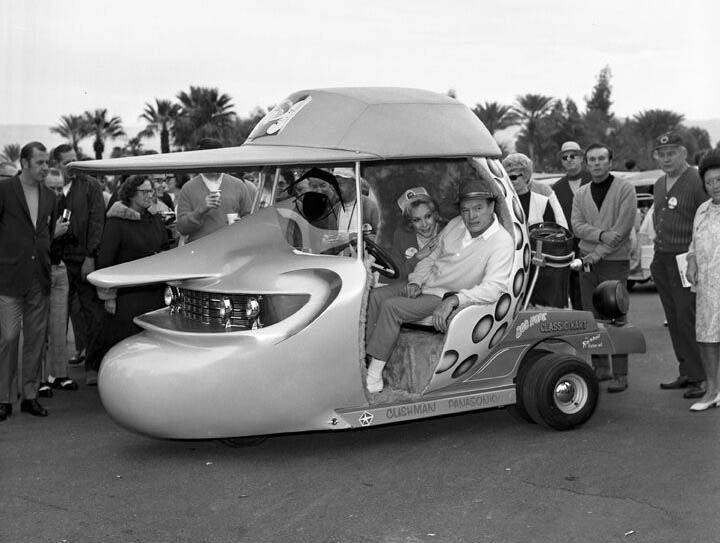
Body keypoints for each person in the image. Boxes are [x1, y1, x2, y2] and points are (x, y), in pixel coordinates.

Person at [365, 178, 514, 393]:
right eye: (465, 210)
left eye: (478, 208)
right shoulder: (455, 224)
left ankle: (373, 377)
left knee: (392, 307)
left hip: (443, 295)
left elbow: (493, 287)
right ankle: (372, 360)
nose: (471, 216)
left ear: (492, 207)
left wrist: (455, 299)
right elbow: (431, 256)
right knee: (374, 297)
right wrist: (416, 280)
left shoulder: (501, 242)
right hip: (425, 284)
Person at [0, 142, 67, 419]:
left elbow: (46, 237)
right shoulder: (4, 190)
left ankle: (29, 396)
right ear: (24, 163)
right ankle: (4, 398)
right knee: (9, 336)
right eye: (39, 163)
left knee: (36, 340)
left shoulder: (50, 198)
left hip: (40, 278)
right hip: (8, 278)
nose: (45, 167)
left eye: (46, 162)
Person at [572, 143, 637, 393]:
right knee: (592, 316)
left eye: (601, 158)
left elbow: (622, 230)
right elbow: (576, 225)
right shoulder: (581, 193)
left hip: (613, 261)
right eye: (592, 159)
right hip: (587, 263)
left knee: (616, 315)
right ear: (586, 164)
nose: (597, 163)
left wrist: (597, 252)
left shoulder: (625, 189)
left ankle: (621, 373)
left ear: (611, 161)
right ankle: (601, 369)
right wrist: (600, 234)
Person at [86, 176, 169, 371]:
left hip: (155, 292)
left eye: (151, 191)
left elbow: (164, 246)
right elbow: (106, 260)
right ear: (131, 194)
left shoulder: (155, 218)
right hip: (127, 296)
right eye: (145, 192)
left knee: (152, 347)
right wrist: (109, 296)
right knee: (127, 346)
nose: (150, 195)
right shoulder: (117, 222)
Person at [650, 133, 709, 399]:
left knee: (688, 319)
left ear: (683, 153)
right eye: (661, 154)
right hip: (663, 258)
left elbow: (707, 219)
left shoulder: (697, 181)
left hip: (686, 258)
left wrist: (697, 258)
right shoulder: (660, 182)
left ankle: (702, 377)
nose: (666, 158)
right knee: (673, 319)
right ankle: (686, 370)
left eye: (671, 153)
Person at [52, 144, 106, 384]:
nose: (73, 165)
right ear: (56, 163)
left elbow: (97, 223)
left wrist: (91, 257)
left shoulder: (91, 186)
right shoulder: (50, 186)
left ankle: (93, 367)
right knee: (56, 318)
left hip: (83, 260)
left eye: (75, 159)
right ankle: (54, 372)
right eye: (67, 161)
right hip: (56, 262)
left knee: (93, 314)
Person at [502, 152, 568, 308]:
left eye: (513, 177)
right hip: (510, 266)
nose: (510, 181)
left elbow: (554, 233)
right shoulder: (502, 203)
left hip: (538, 267)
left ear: (525, 177)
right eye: (507, 177)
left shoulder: (542, 202)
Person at [685, 150, 720, 411]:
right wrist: (691, 262)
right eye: (709, 182)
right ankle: (712, 390)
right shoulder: (702, 210)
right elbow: (694, 245)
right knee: (707, 338)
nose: (714, 186)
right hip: (707, 288)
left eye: (719, 180)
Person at [175, 138, 257, 243]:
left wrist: (241, 223)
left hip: (232, 249)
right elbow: (182, 228)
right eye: (209, 158)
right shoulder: (188, 188)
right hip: (200, 253)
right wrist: (201, 210)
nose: (213, 161)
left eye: (217, 157)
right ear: (200, 159)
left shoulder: (238, 185)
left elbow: (250, 220)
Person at [40, 168, 77, 394]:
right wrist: (53, 233)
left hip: (60, 268)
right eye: (51, 187)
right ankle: (40, 378)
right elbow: (30, 241)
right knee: (39, 328)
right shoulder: (33, 206)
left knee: (59, 324)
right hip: (38, 271)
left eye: (59, 187)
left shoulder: (63, 205)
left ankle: (60, 374)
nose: (56, 192)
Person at [553, 141, 591, 309]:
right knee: (574, 287)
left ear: (581, 158)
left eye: (573, 155)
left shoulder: (594, 179)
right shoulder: (556, 188)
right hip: (570, 246)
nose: (569, 159)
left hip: (594, 242)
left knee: (594, 284)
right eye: (565, 157)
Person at [391, 187, 445, 280]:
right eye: (416, 220)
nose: (424, 224)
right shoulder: (402, 235)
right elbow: (396, 274)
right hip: (410, 288)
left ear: (435, 214)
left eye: (428, 216)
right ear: (409, 222)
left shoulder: (448, 230)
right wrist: (418, 257)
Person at [331, 167, 380, 233]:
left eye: (340, 184)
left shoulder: (370, 207)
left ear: (354, 184)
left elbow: (381, 238)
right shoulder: (334, 210)